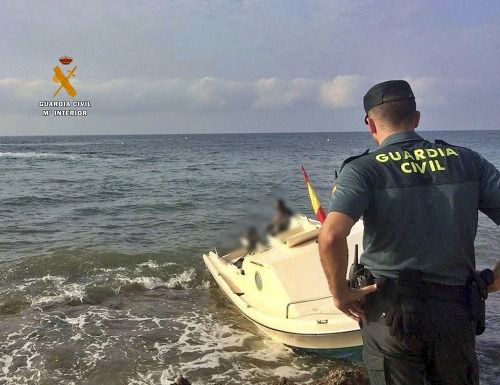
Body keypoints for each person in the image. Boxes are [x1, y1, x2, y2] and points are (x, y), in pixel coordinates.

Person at [318, 80, 500, 385]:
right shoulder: (468, 162)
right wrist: (496, 277)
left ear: (370, 123)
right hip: (456, 313)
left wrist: (340, 294)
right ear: (416, 118)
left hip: (390, 317)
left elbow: (331, 236)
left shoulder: (363, 169)